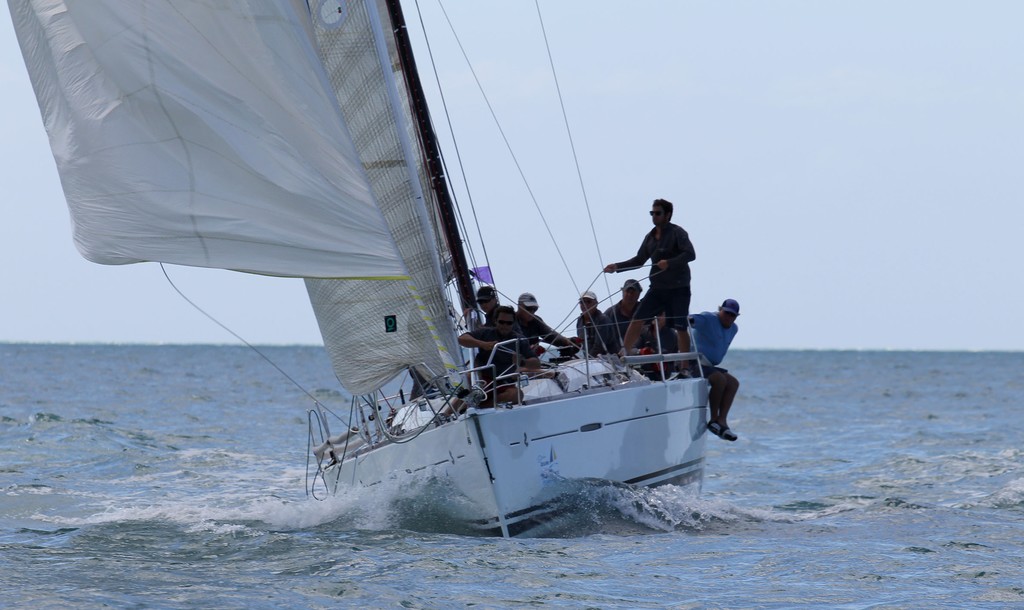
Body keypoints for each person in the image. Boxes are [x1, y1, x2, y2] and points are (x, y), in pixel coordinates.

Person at [603, 198, 696, 365]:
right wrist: (617, 267)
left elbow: (690, 254)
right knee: (637, 319)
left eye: (658, 213)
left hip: (678, 288)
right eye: (652, 213)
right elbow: (639, 260)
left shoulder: (677, 233)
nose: (654, 216)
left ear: (668, 215)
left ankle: (684, 367)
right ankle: (623, 354)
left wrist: (670, 262)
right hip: (658, 288)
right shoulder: (650, 237)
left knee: (681, 327)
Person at [457, 305, 540, 406]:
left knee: (517, 395)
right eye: (501, 322)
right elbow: (461, 339)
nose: (505, 325)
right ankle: (447, 413)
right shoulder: (486, 333)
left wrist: (522, 362)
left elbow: (536, 364)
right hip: (483, 378)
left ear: (513, 324)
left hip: (504, 382)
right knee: (469, 379)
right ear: (496, 321)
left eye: (509, 323)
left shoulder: (520, 340)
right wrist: (482, 344)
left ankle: (481, 406)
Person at [689, 299, 741, 442]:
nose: (729, 317)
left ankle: (722, 421)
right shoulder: (708, 318)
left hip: (708, 365)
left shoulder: (734, 328)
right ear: (720, 310)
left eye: (733, 315)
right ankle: (713, 420)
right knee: (719, 379)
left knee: (733, 383)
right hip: (694, 363)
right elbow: (692, 320)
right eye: (726, 313)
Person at [513, 292, 580, 357]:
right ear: (519, 306)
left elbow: (551, 335)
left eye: (535, 309)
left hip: (532, 362)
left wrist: (568, 341)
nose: (532, 312)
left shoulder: (536, 321)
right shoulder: (511, 320)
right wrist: (528, 348)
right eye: (529, 308)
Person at [576, 291, 621, 357]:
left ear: (596, 304)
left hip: (608, 360)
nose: (585, 305)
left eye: (588, 302)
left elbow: (599, 346)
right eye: (582, 302)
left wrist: (588, 359)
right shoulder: (579, 320)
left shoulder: (603, 319)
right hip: (590, 361)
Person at [604, 278, 643, 350]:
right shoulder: (610, 313)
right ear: (622, 292)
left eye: (633, 292)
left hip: (643, 355)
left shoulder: (644, 311)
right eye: (628, 291)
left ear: (639, 294)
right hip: (617, 356)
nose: (630, 295)